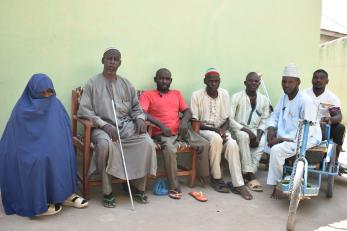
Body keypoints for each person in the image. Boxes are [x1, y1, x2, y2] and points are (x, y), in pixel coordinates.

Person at [78, 48, 157, 208]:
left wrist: (140, 119)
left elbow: (136, 108)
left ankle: (137, 187)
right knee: (105, 145)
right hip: (102, 127)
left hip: (125, 126)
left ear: (120, 63)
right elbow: (84, 111)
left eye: (116, 59)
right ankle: (107, 191)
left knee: (146, 142)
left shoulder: (126, 84)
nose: (112, 62)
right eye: (109, 58)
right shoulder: (92, 83)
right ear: (103, 60)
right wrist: (104, 125)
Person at [0, 74, 88, 218]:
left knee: (62, 154)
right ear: (33, 91)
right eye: (42, 92)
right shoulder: (22, 109)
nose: (47, 96)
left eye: (50, 91)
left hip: (51, 146)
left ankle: (64, 195)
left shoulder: (56, 104)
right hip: (26, 150)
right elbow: (16, 138)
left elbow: (64, 130)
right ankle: (40, 201)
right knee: (38, 160)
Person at [139, 68, 210, 200]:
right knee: (170, 150)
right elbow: (143, 113)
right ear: (156, 79)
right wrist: (161, 125)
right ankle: (174, 186)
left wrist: (183, 122)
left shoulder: (177, 94)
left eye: (167, 79)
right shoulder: (147, 95)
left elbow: (187, 111)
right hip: (162, 133)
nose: (164, 81)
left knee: (204, 144)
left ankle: (203, 175)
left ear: (171, 81)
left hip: (181, 130)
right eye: (161, 78)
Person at [190, 68, 252, 200]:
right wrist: (215, 131)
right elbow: (195, 122)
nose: (213, 84)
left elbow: (228, 119)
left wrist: (222, 130)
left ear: (219, 82)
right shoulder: (196, 95)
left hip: (221, 128)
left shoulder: (224, 94)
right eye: (210, 81)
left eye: (216, 81)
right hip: (204, 130)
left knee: (232, 144)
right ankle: (216, 178)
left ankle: (238, 184)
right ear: (205, 81)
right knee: (216, 138)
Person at [266, 64, 321, 199]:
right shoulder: (284, 97)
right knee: (264, 142)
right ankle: (279, 175)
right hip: (285, 134)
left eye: (290, 82)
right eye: (284, 81)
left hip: (306, 137)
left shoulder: (305, 101)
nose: (286, 85)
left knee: (276, 150)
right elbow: (275, 115)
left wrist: (280, 139)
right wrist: (271, 129)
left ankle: (276, 185)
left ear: (298, 82)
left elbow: (306, 129)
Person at [230, 72, 270, 192]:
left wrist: (257, 136)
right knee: (243, 136)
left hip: (255, 129)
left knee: (263, 141)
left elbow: (264, 120)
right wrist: (247, 131)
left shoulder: (264, 100)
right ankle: (249, 174)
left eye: (256, 81)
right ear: (245, 83)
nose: (253, 83)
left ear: (259, 84)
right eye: (250, 81)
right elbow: (230, 118)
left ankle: (249, 171)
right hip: (239, 128)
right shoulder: (236, 97)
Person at [303, 69, 345, 173]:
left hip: (324, 127)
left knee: (340, 128)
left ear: (327, 81)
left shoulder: (331, 98)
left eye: (322, 78)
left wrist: (329, 119)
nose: (318, 80)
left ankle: (334, 160)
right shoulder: (304, 94)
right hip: (306, 125)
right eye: (316, 77)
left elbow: (338, 116)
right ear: (312, 80)